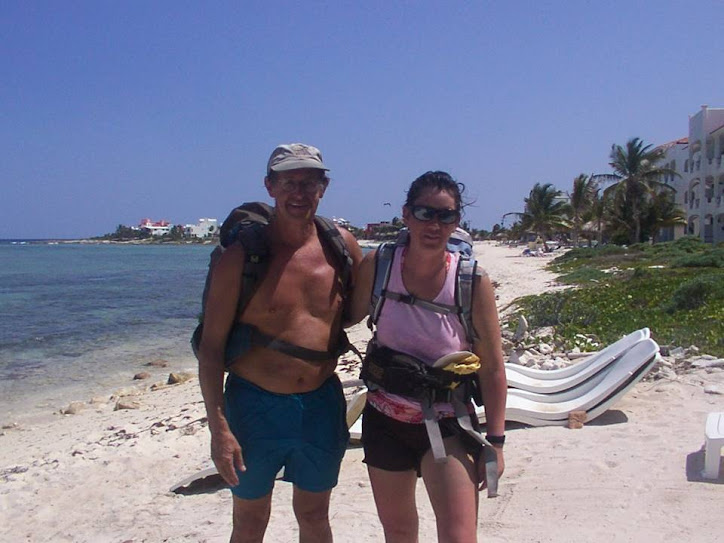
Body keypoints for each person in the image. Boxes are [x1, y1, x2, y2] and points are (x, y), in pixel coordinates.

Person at [198, 143, 363, 543]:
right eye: (288, 181)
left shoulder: (341, 247)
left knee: (314, 516)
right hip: (254, 407)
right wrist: (219, 430)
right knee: (250, 522)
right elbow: (211, 349)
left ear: (324, 188)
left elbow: (360, 310)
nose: (299, 192)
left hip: (321, 404)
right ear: (270, 186)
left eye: (309, 182)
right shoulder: (241, 258)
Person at [348, 171, 507, 542]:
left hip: (450, 423)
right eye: (424, 213)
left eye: (445, 215)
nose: (434, 224)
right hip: (384, 421)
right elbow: (341, 316)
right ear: (406, 215)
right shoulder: (380, 266)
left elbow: (494, 368)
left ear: (457, 221)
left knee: (459, 537)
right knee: (399, 534)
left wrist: (496, 443)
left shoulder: (472, 282)